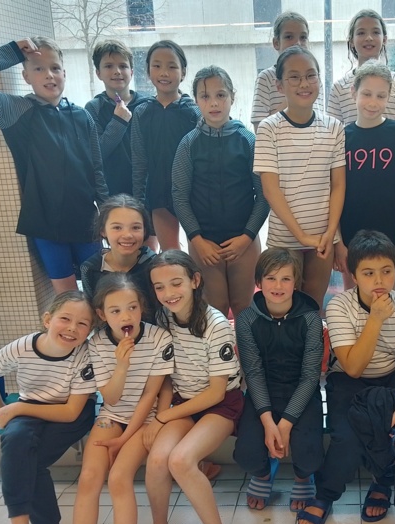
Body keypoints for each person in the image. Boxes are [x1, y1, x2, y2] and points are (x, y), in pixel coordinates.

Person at [297, 230, 395, 524]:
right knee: (347, 439)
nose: (379, 280)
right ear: (354, 275)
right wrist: (375, 319)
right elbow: (353, 366)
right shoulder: (339, 306)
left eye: (386, 271)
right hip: (349, 380)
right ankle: (325, 495)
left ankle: (383, 482)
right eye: (369, 273)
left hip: (391, 378)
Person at [0, 37, 107, 294]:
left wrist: (106, 214)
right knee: (68, 298)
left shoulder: (82, 116)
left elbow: (97, 170)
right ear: (26, 76)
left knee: (101, 291)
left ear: (64, 73)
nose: (49, 75)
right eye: (39, 69)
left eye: (55, 68)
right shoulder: (16, 111)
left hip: (86, 221)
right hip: (46, 224)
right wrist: (13, 51)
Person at [0, 292, 96, 524]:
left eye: (82, 324)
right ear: (47, 320)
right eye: (65, 319)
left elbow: (71, 412)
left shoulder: (83, 355)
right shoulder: (24, 346)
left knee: (27, 460)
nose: (72, 328)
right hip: (31, 409)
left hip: (70, 414)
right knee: (16, 440)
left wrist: (15, 408)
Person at [63, 274, 173, 524]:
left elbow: (151, 395)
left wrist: (124, 441)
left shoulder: (159, 338)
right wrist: (121, 365)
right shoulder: (96, 344)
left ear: (142, 307)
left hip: (145, 419)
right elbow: (110, 399)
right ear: (101, 314)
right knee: (89, 478)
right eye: (115, 311)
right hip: (111, 416)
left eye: (132, 307)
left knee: (119, 478)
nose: (126, 316)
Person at [145, 250, 244, 524]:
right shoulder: (163, 318)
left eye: (176, 283)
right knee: (157, 459)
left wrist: (164, 416)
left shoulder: (215, 325)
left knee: (181, 460)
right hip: (182, 401)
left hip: (221, 404)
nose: (168, 292)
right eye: (159, 287)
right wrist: (162, 413)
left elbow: (216, 393)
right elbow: (165, 374)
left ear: (195, 281)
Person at [173, 65, 269, 319]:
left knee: (244, 307)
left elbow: (264, 196)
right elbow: (180, 196)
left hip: (243, 239)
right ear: (196, 100)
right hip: (204, 241)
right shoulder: (188, 143)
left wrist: (247, 237)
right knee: (214, 308)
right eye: (205, 96)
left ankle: (246, 347)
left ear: (232, 97)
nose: (214, 103)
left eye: (221, 95)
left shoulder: (248, 140)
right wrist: (197, 240)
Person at [254, 46, 345, 309]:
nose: (304, 83)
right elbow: (270, 189)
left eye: (310, 75)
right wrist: (302, 236)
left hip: (324, 238)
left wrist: (331, 233)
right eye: (294, 77)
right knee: (282, 306)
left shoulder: (334, 127)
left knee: (313, 306)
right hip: (284, 239)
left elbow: (338, 185)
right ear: (279, 85)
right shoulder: (269, 128)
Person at [234, 248, 324, 511]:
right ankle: (264, 474)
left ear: (296, 283)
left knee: (309, 455)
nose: (278, 286)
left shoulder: (310, 319)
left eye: (286, 279)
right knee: (247, 455)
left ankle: (303, 477)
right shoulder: (246, 319)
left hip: (301, 391)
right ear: (258, 282)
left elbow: (310, 376)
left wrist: (284, 424)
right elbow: (253, 373)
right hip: (263, 391)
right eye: (271, 278)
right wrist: (267, 420)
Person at [335, 60, 395, 289]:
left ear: (389, 97)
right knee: (353, 299)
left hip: (392, 235)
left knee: (387, 297)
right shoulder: (340, 137)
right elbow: (333, 193)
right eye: (366, 94)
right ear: (353, 92)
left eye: (381, 96)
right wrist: (338, 242)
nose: (373, 102)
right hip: (351, 236)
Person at [131, 40, 200, 251]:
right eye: (157, 66)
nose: (164, 72)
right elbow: (139, 162)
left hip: (195, 194)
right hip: (159, 194)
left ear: (183, 72)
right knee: (171, 255)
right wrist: (138, 204)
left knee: (199, 255)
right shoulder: (142, 112)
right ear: (148, 71)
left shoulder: (194, 112)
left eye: (172, 66)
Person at [327, 9, 395, 127]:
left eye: (375, 32)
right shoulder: (338, 88)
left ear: (384, 39)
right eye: (361, 33)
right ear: (351, 41)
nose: (369, 38)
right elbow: (332, 131)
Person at [85, 40, 148, 197]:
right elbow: (97, 154)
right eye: (108, 66)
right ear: (98, 73)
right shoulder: (93, 108)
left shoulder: (147, 105)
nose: (117, 71)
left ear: (131, 72)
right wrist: (119, 121)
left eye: (123, 66)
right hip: (112, 193)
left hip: (147, 191)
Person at [80, 195, 157, 322]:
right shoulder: (90, 269)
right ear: (103, 231)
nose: (127, 235)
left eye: (136, 227)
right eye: (117, 227)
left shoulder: (154, 265)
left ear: (145, 230)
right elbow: (94, 314)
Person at [250, 11, 324, 132]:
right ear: (276, 43)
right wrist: (292, 98)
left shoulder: (313, 77)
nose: (297, 43)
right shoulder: (266, 77)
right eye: (289, 37)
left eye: (303, 37)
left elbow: (320, 119)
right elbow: (259, 127)